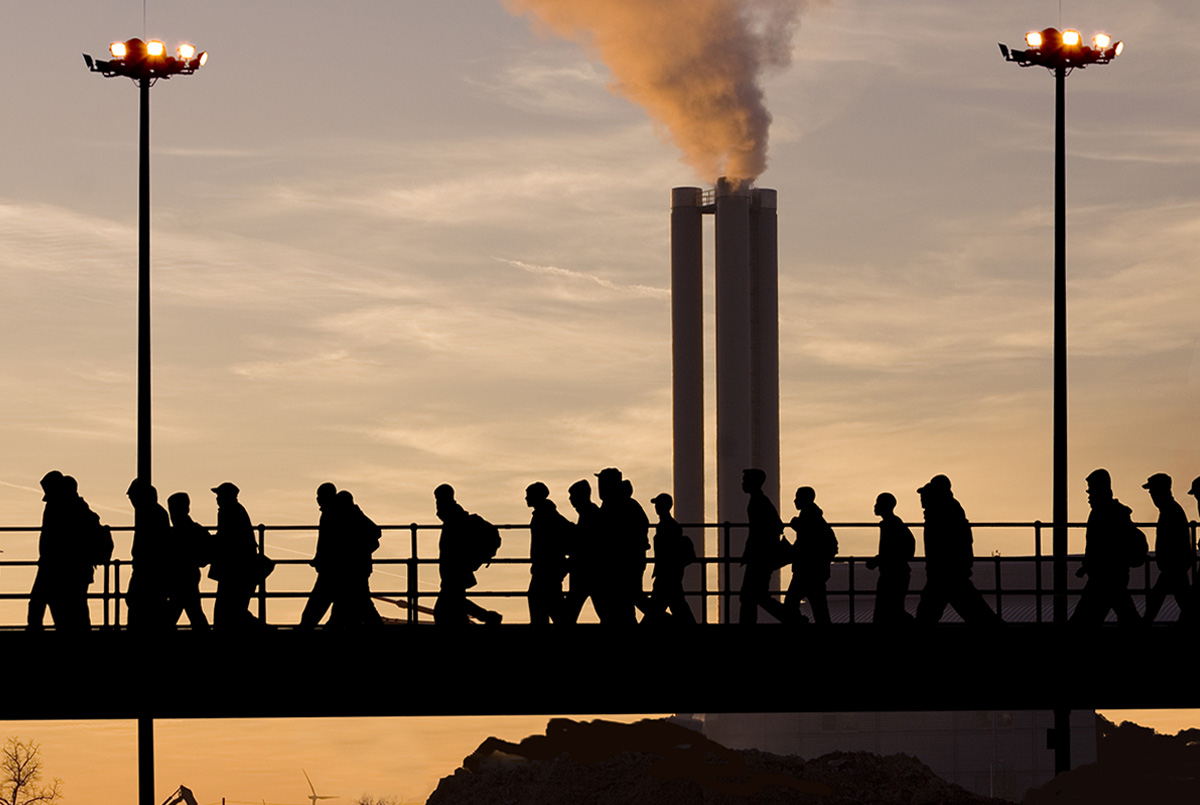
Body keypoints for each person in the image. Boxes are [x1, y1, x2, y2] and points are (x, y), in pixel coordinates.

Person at [914, 474, 1001, 626]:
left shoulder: (941, 512)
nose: (922, 499)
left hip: (944, 572)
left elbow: (944, 544)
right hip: (949, 572)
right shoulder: (949, 509)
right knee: (973, 609)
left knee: (928, 613)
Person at [27, 471, 102, 632]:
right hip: (72, 568)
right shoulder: (78, 507)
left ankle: (35, 630)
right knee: (73, 608)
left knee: (44, 603)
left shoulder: (59, 507)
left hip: (55, 566)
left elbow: (53, 539)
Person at [1070, 468, 1142, 626]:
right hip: (1114, 574)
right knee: (1125, 612)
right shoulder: (1116, 512)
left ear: (1098, 490)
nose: (1089, 496)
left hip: (1103, 577)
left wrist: (1088, 565)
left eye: (1090, 491)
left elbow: (1099, 547)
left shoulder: (1100, 514)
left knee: (1083, 620)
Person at [433, 484, 502, 627]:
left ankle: (488, 617)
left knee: (445, 607)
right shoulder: (455, 517)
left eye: (437, 500)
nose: (436, 505)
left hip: (456, 569)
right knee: (453, 604)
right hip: (456, 569)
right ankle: (487, 617)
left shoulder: (455, 519)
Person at [595, 468, 650, 625]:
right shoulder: (623, 504)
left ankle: (670, 623)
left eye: (602, 482)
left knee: (630, 597)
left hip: (624, 562)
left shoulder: (618, 506)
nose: (599, 486)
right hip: (627, 561)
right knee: (629, 600)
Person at [209, 482, 267, 630]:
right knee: (235, 610)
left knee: (229, 610)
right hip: (241, 569)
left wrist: (209, 541)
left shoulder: (227, 512)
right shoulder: (236, 510)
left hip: (234, 570)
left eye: (219, 496)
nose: (217, 499)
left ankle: (264, 630)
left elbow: (225, 539)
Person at [738, 468, 790, 625]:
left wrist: (751, 552)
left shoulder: (758, 502)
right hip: (762, 556)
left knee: (750, 596)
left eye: (746, 480)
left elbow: (758, 532)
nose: (743, 483)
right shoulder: (761, 501)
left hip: (759, 557)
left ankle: (791, 617)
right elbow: (776, 527)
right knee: (756, 595)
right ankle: (791, 617)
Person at [1141, 473, 1193, 623]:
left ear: (1160, 491)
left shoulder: (1169, 512)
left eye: (1152, 491)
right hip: (1175, 566)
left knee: (1158, 599)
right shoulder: (1173, 510)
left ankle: (1144, 624)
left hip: (1172, 566)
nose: (1151, 495)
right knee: (1181, 600)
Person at [785, 486, 837, 626]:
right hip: (816, 571)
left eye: (797, 497)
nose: (794, 500)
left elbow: (806, 541)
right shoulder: (816, 518)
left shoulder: (808, 518)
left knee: (791, 602)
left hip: (806, 570)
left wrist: (796, 524)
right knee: (819, 608)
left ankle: (800, 622)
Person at [126, 478, 173, 629]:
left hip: (147, 571)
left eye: (133, 497)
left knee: (140, 607)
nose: (131, 501)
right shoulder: (157, 513)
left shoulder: (149, 514)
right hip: (152, 571)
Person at [644, 492, 697, 625]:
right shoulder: (669, 525)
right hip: (670, 573)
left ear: (664, 506)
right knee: (677, 605)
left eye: (658, 504)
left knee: (659, 609)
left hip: (666, 573)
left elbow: (666, 551)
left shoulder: (667, 526)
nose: (656, 507)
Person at [865, 492, 915, 625]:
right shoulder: (895, 523)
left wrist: (878, 560)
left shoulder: (891, 524)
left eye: (877, 503)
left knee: (889, 611)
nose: (875, 506)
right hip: (896, 573)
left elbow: (890, 551)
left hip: (892, 574)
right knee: (893, 610)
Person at [524, 482, 570, 626]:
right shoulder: (548, 513)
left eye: (528, 495)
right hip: (548, 568)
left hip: (546, 569)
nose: (526, 498)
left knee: (544, 603)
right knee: (551, 605)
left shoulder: (545, 515)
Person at [165, 492, 211, 630]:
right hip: (190, 574)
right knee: (193, 610)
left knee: (179, 610)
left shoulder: (175, 532)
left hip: (180, 576)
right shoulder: (195, 529)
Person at [562, 479, 601, 624]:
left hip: (585, 572)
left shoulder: (589, 515)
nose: (570, 499)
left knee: (570, 612)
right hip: (591, 571)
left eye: (572, 496)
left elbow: (584, 544)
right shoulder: (591, 513)